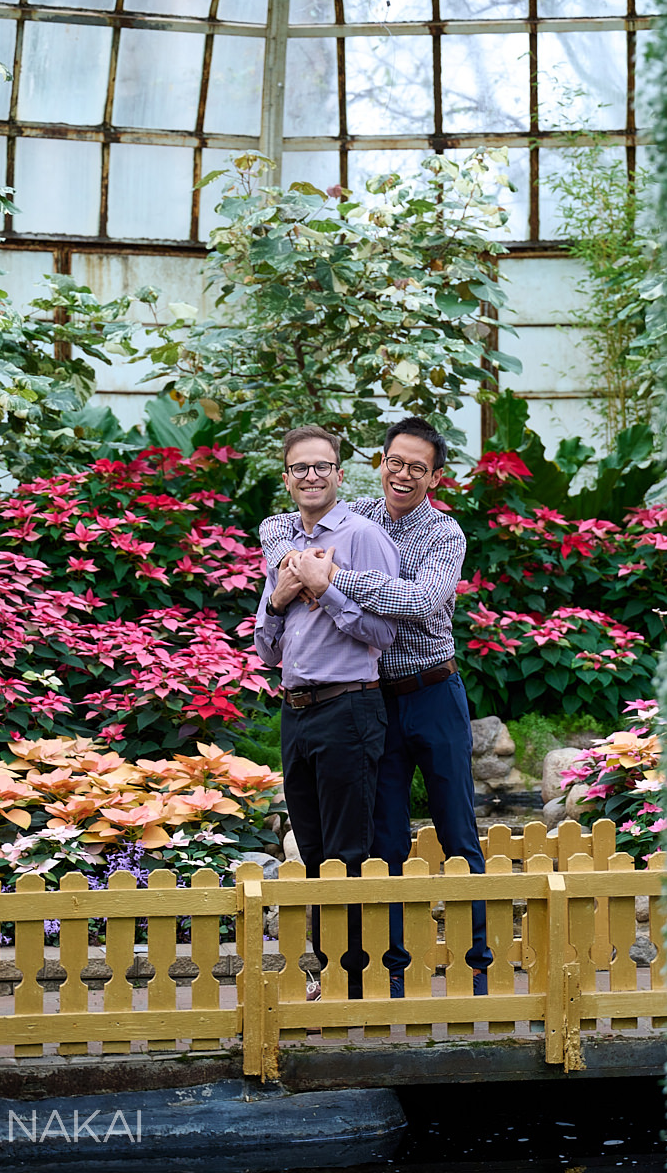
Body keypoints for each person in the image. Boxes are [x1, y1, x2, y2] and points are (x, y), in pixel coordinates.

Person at [259, 416, 491, 998]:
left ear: (435, 477)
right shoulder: (355, 513)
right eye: (396, 462)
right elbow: (280, 527)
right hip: (371, 699)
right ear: (378, 463)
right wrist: (287, 568)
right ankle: (391, 966)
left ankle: (477, 963)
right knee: (382, 840)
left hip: (433, 691)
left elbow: (421, 600)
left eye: (419, 466)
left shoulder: (444, 534)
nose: (404, 474)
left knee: (458, 829)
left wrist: (332, 573)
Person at [253, 424, 400, 1000]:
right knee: (309, 848)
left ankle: (355, 979)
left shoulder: (363, 537)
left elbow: (384, 631)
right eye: (299, 468)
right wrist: (281, 595)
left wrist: (326, 589)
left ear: (340, 474)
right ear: (287, 479)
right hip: (297, 711)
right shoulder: (283, 545)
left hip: (349, 706)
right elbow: (267, 649)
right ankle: (323, 973)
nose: (310, 476)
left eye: (321, 466)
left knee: (347, 850)